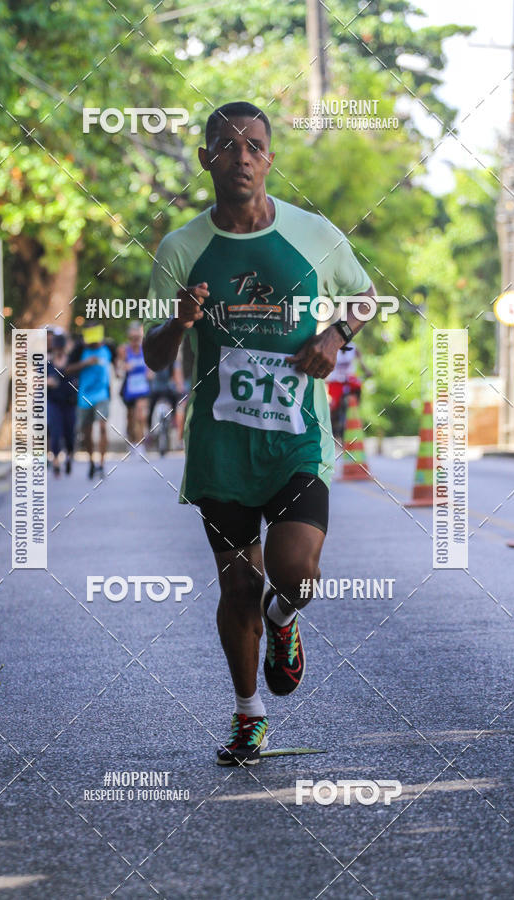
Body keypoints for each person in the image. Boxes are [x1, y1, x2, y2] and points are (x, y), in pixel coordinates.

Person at [143, 101, 376, 766]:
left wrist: (337, 333)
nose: (241, 157)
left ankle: (284, 620)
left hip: (296, 437)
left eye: (253, 146)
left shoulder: (313, 233)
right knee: (237, 587)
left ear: (270, 158)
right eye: (226, 145)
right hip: (221, 449)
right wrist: (181, 322)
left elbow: (364, 297)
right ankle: (249, 715)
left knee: (294, 573)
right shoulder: (181, 248)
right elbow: (155, 357)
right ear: (206, 159)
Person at [66, 324, 117, 479]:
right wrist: (85, 363)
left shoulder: (108, 347)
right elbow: (67, 369)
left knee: (102, 426)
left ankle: (101, 464)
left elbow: (117, 361)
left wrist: (120, 369)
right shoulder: (79, 349)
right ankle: (91, 462)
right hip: (84, 396)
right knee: (86, 432)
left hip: (103, 394)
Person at [326, 343, 373, 445]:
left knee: (358, 389)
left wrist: (367, 371)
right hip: (335, 381)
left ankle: (355, 409)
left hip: (349, 380)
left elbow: (362, 363)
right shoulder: (331, 345)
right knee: (332, 406)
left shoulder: (354, 348)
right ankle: (330, 428)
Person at [46, 332, 77, 476]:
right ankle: (56, 462)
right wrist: (47, 382)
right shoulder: (47, 363)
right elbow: (36, 379)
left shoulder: (72, 362)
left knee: (69, 434)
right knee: (55, 432)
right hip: (54, 402)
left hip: (69, 403)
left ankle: (70, 456)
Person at [118, 322, 151, 444]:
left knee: (140, 415)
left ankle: (140, 444)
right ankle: (131, 439)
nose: (135, 341)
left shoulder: (146, 349)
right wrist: (124, 367)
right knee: (131, 418)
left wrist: (150, 373)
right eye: (132, 339)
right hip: (129, 389)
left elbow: (151, 366)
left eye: (137, 338)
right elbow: (118, 368)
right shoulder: (124, 350)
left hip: (142, 388)